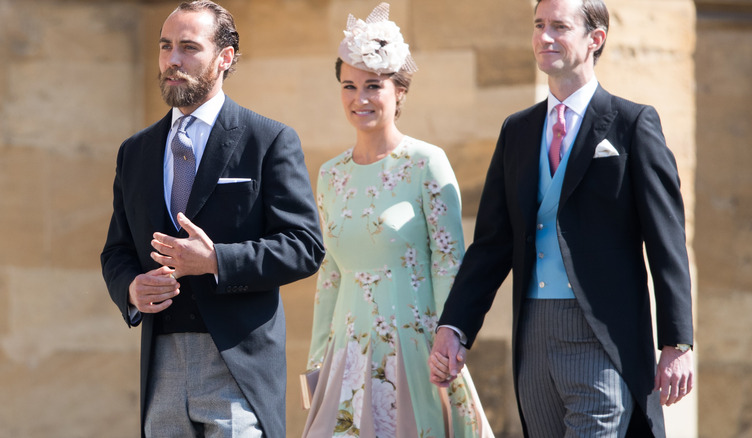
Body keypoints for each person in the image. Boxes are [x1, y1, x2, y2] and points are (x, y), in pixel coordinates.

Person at [429, 0, 694, 436]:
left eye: (559, 26)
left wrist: (677, 341)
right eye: (538, 25)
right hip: (533, 336)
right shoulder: (517, 130)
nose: (544, 37)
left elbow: (668, 243)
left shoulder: (632, 124)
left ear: (596, 39)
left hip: (601, 336)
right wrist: (455, 325)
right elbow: (492, 244)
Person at [100, 1, 324, 436]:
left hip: (237, 365)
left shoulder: (268, 140)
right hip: (159, 365)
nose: (172, 60)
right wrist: (130, 287)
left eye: (188, 47)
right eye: (166, 47)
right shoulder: (135, 151)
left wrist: (215, 260)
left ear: (225, 58)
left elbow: (305, 246)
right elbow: (117, 250)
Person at [302, 3, 493, 437]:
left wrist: (450, 347)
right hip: (345, 358)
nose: (360, 98)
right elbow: (330, 273)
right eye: (349, 86)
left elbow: (449, 263)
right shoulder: (330, 174)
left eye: (373, 85)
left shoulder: (427, 162)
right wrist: (316, 363)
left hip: (416, 352)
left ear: (399, 91)